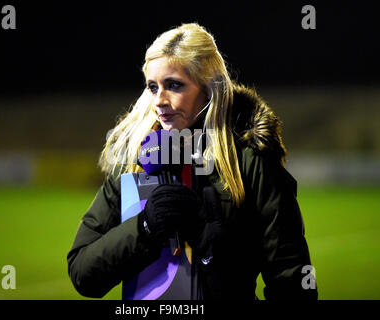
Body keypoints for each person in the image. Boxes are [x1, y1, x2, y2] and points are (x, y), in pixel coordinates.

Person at [67, 23, 318, 300]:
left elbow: (293, 284)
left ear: (209, 87)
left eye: (174, 85)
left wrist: (213, 249)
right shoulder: (134, 160)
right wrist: (144, 228)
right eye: (153, 87)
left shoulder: (250, 161)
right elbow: (83, 273)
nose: (159, 100)